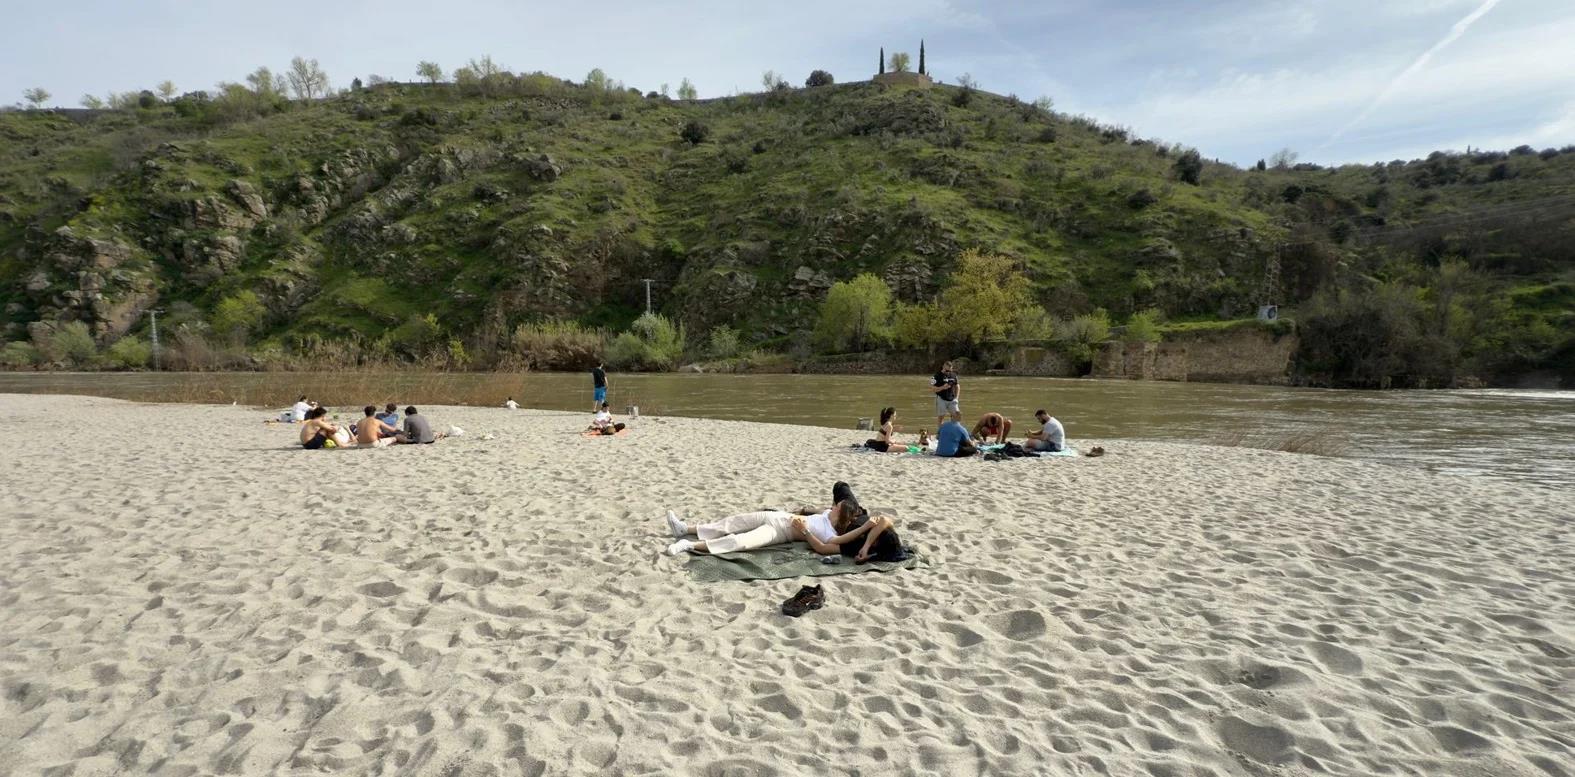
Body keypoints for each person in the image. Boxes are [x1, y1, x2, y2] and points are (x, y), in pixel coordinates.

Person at [663, 483, 895, 562]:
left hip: (781, 531)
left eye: (837, 506)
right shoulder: (826, 514)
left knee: (740, 541)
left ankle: (689, 545)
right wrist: (803, 510)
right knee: (732, 522)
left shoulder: (830, 533)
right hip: (778, 516)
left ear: (840, 514)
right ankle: (687, 529)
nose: (833, 505)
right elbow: (816, 510)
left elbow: (824, 548)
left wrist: (805, 531)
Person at [931, 361, 960, 425]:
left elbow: (957, 386)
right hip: (941, 399)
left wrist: (956, 398)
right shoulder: (936, 376)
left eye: (950, 370)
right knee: (941, 417)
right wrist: (942, 387)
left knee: (957, 416)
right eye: (947, 370)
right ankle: (940, 432)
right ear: (943, 367)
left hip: (952, 399)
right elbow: (933, 389)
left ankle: (954, 431)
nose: (948, 372)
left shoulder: (953, 375)